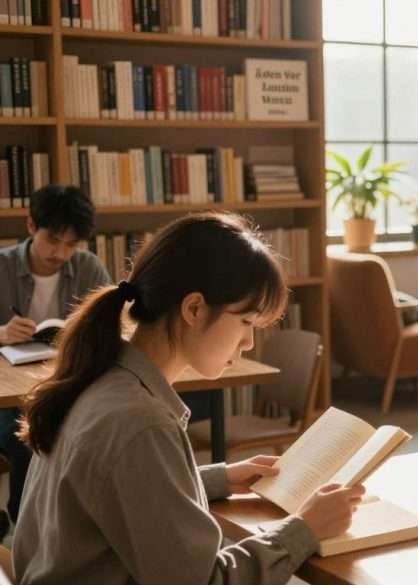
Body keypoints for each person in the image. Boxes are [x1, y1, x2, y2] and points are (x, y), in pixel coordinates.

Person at [14, 212, 364, 584]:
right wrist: (305, 529)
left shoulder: (99, 376)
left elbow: (117, 486)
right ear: (194, 308)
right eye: (246, 322)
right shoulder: (140, 422)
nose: (248, 342)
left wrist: (218, 479)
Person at [0, 184, 111, 534]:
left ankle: (75, 527)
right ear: (31, 225)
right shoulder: (1, 266)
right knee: (27, 437)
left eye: (71, 244)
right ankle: (25, 527)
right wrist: (2, 333)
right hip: (9, 394)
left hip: (65, 384)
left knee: (89, 432)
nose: (61, 253)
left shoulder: (89, 267)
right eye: (53, 240)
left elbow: (114, 326)